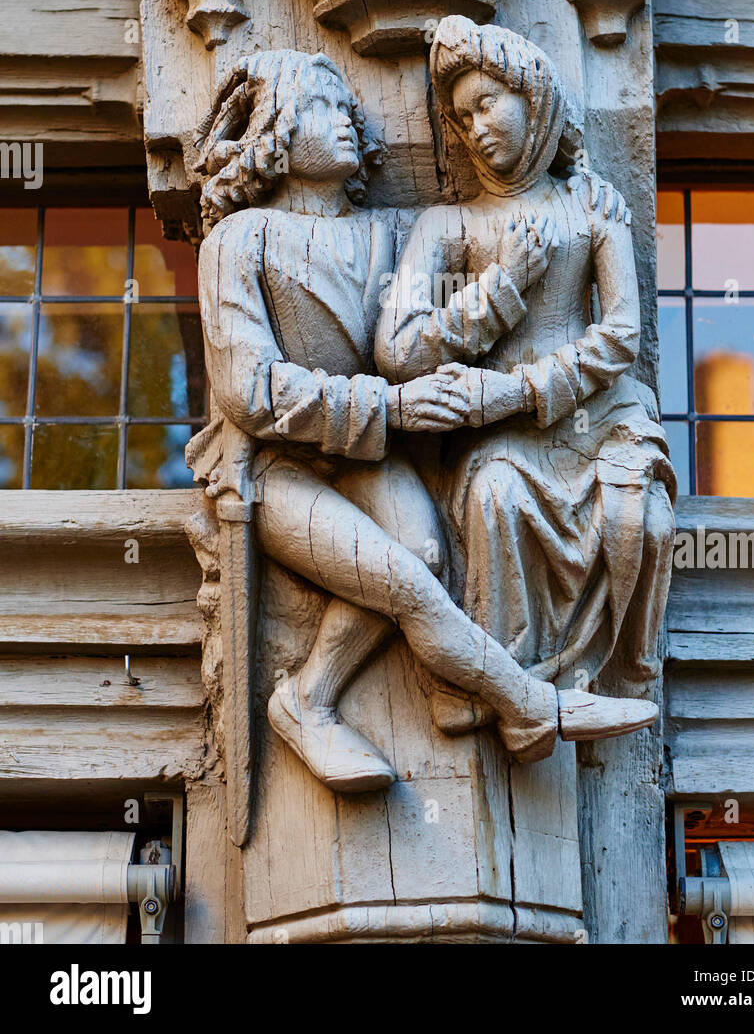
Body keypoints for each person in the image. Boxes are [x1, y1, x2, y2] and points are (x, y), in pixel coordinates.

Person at [188, 49, 651, 796]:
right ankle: (532, 704)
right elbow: (252, 389)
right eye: (316, 110)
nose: (344, 121)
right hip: (279, 468)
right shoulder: (241, 241)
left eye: (346, 109)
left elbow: (489, 225)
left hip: (371, 461)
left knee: (423, 554)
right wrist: (391, 407)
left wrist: (576, 197)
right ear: (274, 132)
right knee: (405, 580)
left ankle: (307, 692)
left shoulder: (393, 229)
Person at [375, 16, 676, 737]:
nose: (475, 128)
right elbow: (396, 348)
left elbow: (621, 335)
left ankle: (617, 672)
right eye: (460, 116)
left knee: (643, 520)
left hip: (599, 419)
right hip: (502, 438)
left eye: (488, 105)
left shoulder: (593, 209)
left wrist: (523, 389)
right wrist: (497, 290)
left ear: (533, 98)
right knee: (493, 499)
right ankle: (506, 684)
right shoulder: (448, 229)